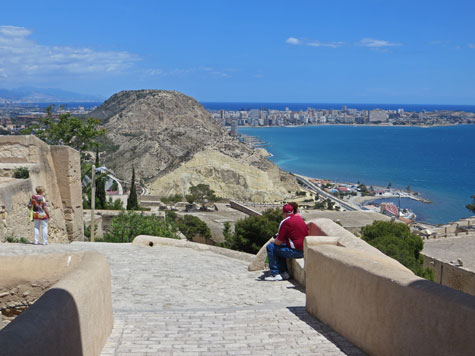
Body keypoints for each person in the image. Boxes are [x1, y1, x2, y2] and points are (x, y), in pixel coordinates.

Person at [265, 203, 308, 281]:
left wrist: (273, 241)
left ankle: (275, 274)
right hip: (305, 250)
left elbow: (278, 242)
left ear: (283, 213)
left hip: (296, 252)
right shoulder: (299, 219)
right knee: (280, 248)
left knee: (271, 247)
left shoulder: (285, 222)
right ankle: (284, 273)